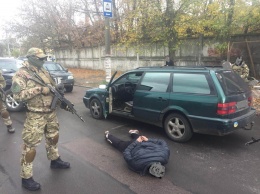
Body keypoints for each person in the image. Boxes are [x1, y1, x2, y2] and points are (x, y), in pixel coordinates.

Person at [11, 48, 70, 191]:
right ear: (31, 58)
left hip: (50, 112)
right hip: (35, 115)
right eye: (40, 58)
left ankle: (54, 160)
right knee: (30, 147)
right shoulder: (21, 74)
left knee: (53, 137)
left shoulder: (43, 71)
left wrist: (58, 88)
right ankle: (26, 178)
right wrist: (39, 90)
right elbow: (17, 96)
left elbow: (51, 87)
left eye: (44, 58)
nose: (43, 61)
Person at [105, 129, 170, 178]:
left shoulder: (165, 155)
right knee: (119, 144)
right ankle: (108, 136)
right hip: (133, 146)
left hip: (143, 142)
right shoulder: (137, 165)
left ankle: (134, 133)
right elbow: (126, 153)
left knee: (138, 138)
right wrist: (136, 142)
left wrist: (147, 140)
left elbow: (162, 142)